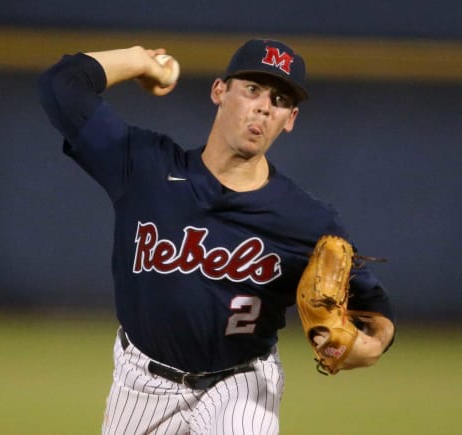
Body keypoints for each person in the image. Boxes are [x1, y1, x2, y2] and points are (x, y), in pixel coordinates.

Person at [38, 39, 395, 434]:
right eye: (252, 89)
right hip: (141, 381)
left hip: (241, 384)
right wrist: (139, 61)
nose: (263, 106)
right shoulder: (145, 169)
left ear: (289, 119)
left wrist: (373, 343)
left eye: (278, 99)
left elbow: (376, 311)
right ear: (219, 91)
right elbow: (61, 85)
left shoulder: (306, 221)